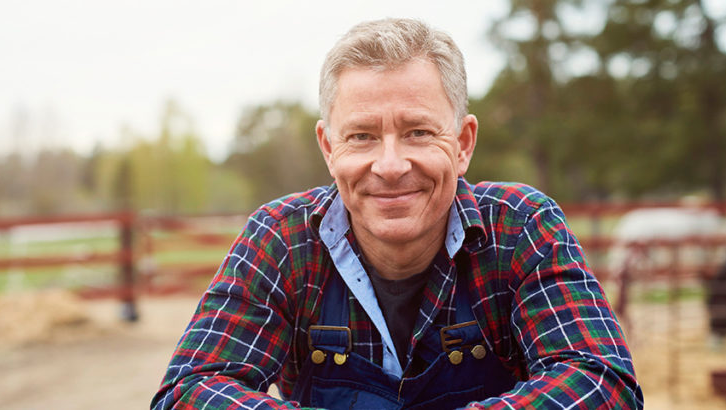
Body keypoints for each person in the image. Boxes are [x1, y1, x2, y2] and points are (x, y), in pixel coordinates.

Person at [152, 18, 642, 409]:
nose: (389, 166)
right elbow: (189, 390)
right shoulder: (282, 239)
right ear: (328, 147)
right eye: (362, 136)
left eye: (418, 133)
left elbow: (602, 382)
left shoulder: (521, 227)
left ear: (463, 143)